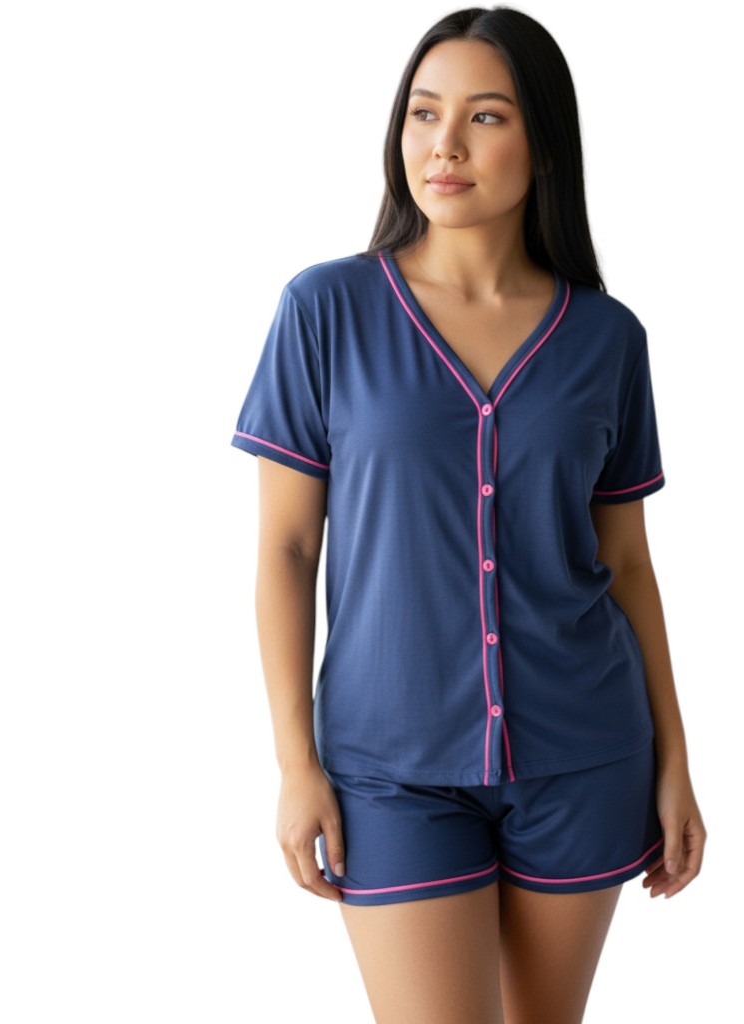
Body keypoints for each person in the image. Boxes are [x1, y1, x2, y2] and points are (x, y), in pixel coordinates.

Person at [230, 6, 706, 1021]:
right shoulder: (325, 310)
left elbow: (626, 564)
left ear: (545, 146)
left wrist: (675, 762)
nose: (443, 144)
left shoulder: (607, 338)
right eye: (423, 112)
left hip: (583, 751)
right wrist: (294, 763)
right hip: (388, 768)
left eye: (485, 116)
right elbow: (286, 548)